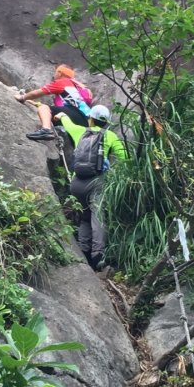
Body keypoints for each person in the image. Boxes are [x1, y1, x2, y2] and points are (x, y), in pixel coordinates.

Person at [54, 104, 127, 271]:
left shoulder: (80, 131)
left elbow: (66, 120)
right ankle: (97, 256)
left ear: (91, 118)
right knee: (98, 217)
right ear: (106, 122)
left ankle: (83, 251)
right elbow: (124, 159)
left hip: (77, 183)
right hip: (96, 183)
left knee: (85, 216)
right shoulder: (110, 136)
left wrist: (61, 116)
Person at [14, 64, 92, 141]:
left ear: (59, 73)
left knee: (44, 108)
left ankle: (46, 130)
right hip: (86, 120)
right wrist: (31, 102)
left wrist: (22, 97)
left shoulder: (61, 82)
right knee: (47, 110)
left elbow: (36, 93)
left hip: (73, 112)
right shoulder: (77, 85)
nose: (54, 75)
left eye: (55, 72)